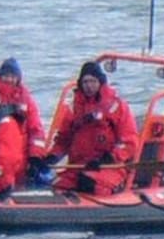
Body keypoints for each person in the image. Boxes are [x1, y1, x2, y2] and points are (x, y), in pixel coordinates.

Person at [43, 61, 139, 195]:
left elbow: (129, 142)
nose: (89, 86)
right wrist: (51, 158)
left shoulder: (116, 107)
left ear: (100, 82)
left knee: (90, 184)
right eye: (85, 82)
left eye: (92, 81)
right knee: (56, 185)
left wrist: (107, 159)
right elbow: (63, 141)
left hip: (109, 167)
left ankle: (116, 190)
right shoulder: (73, 109)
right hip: (78, 166)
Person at [0, 56, 49, 186]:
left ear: (19, 78)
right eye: (6, 75)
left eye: (13, 76)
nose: (9, 79)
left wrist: (35, 156)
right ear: (0, 75)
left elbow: (36, 128)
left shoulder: (25, 97)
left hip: (19, 155)